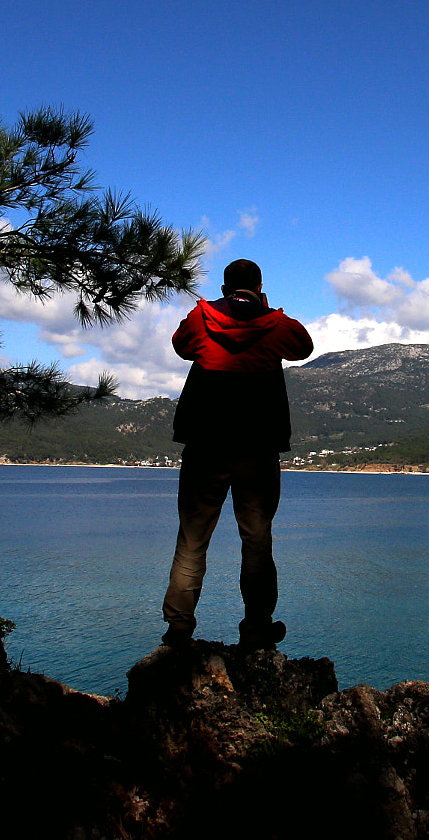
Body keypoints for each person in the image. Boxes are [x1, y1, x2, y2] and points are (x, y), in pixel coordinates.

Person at [161, 258, 313, 650]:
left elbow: (181, 347)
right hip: (257, 450)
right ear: (260, 288)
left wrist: (214, 309)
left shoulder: (202, 318)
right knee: (257, 539)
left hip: (205, 448)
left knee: (192, 539)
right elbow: (304, 346)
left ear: (226, 287)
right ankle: (257, 627)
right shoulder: (275, 324)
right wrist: (264, 308)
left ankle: (179, 628)